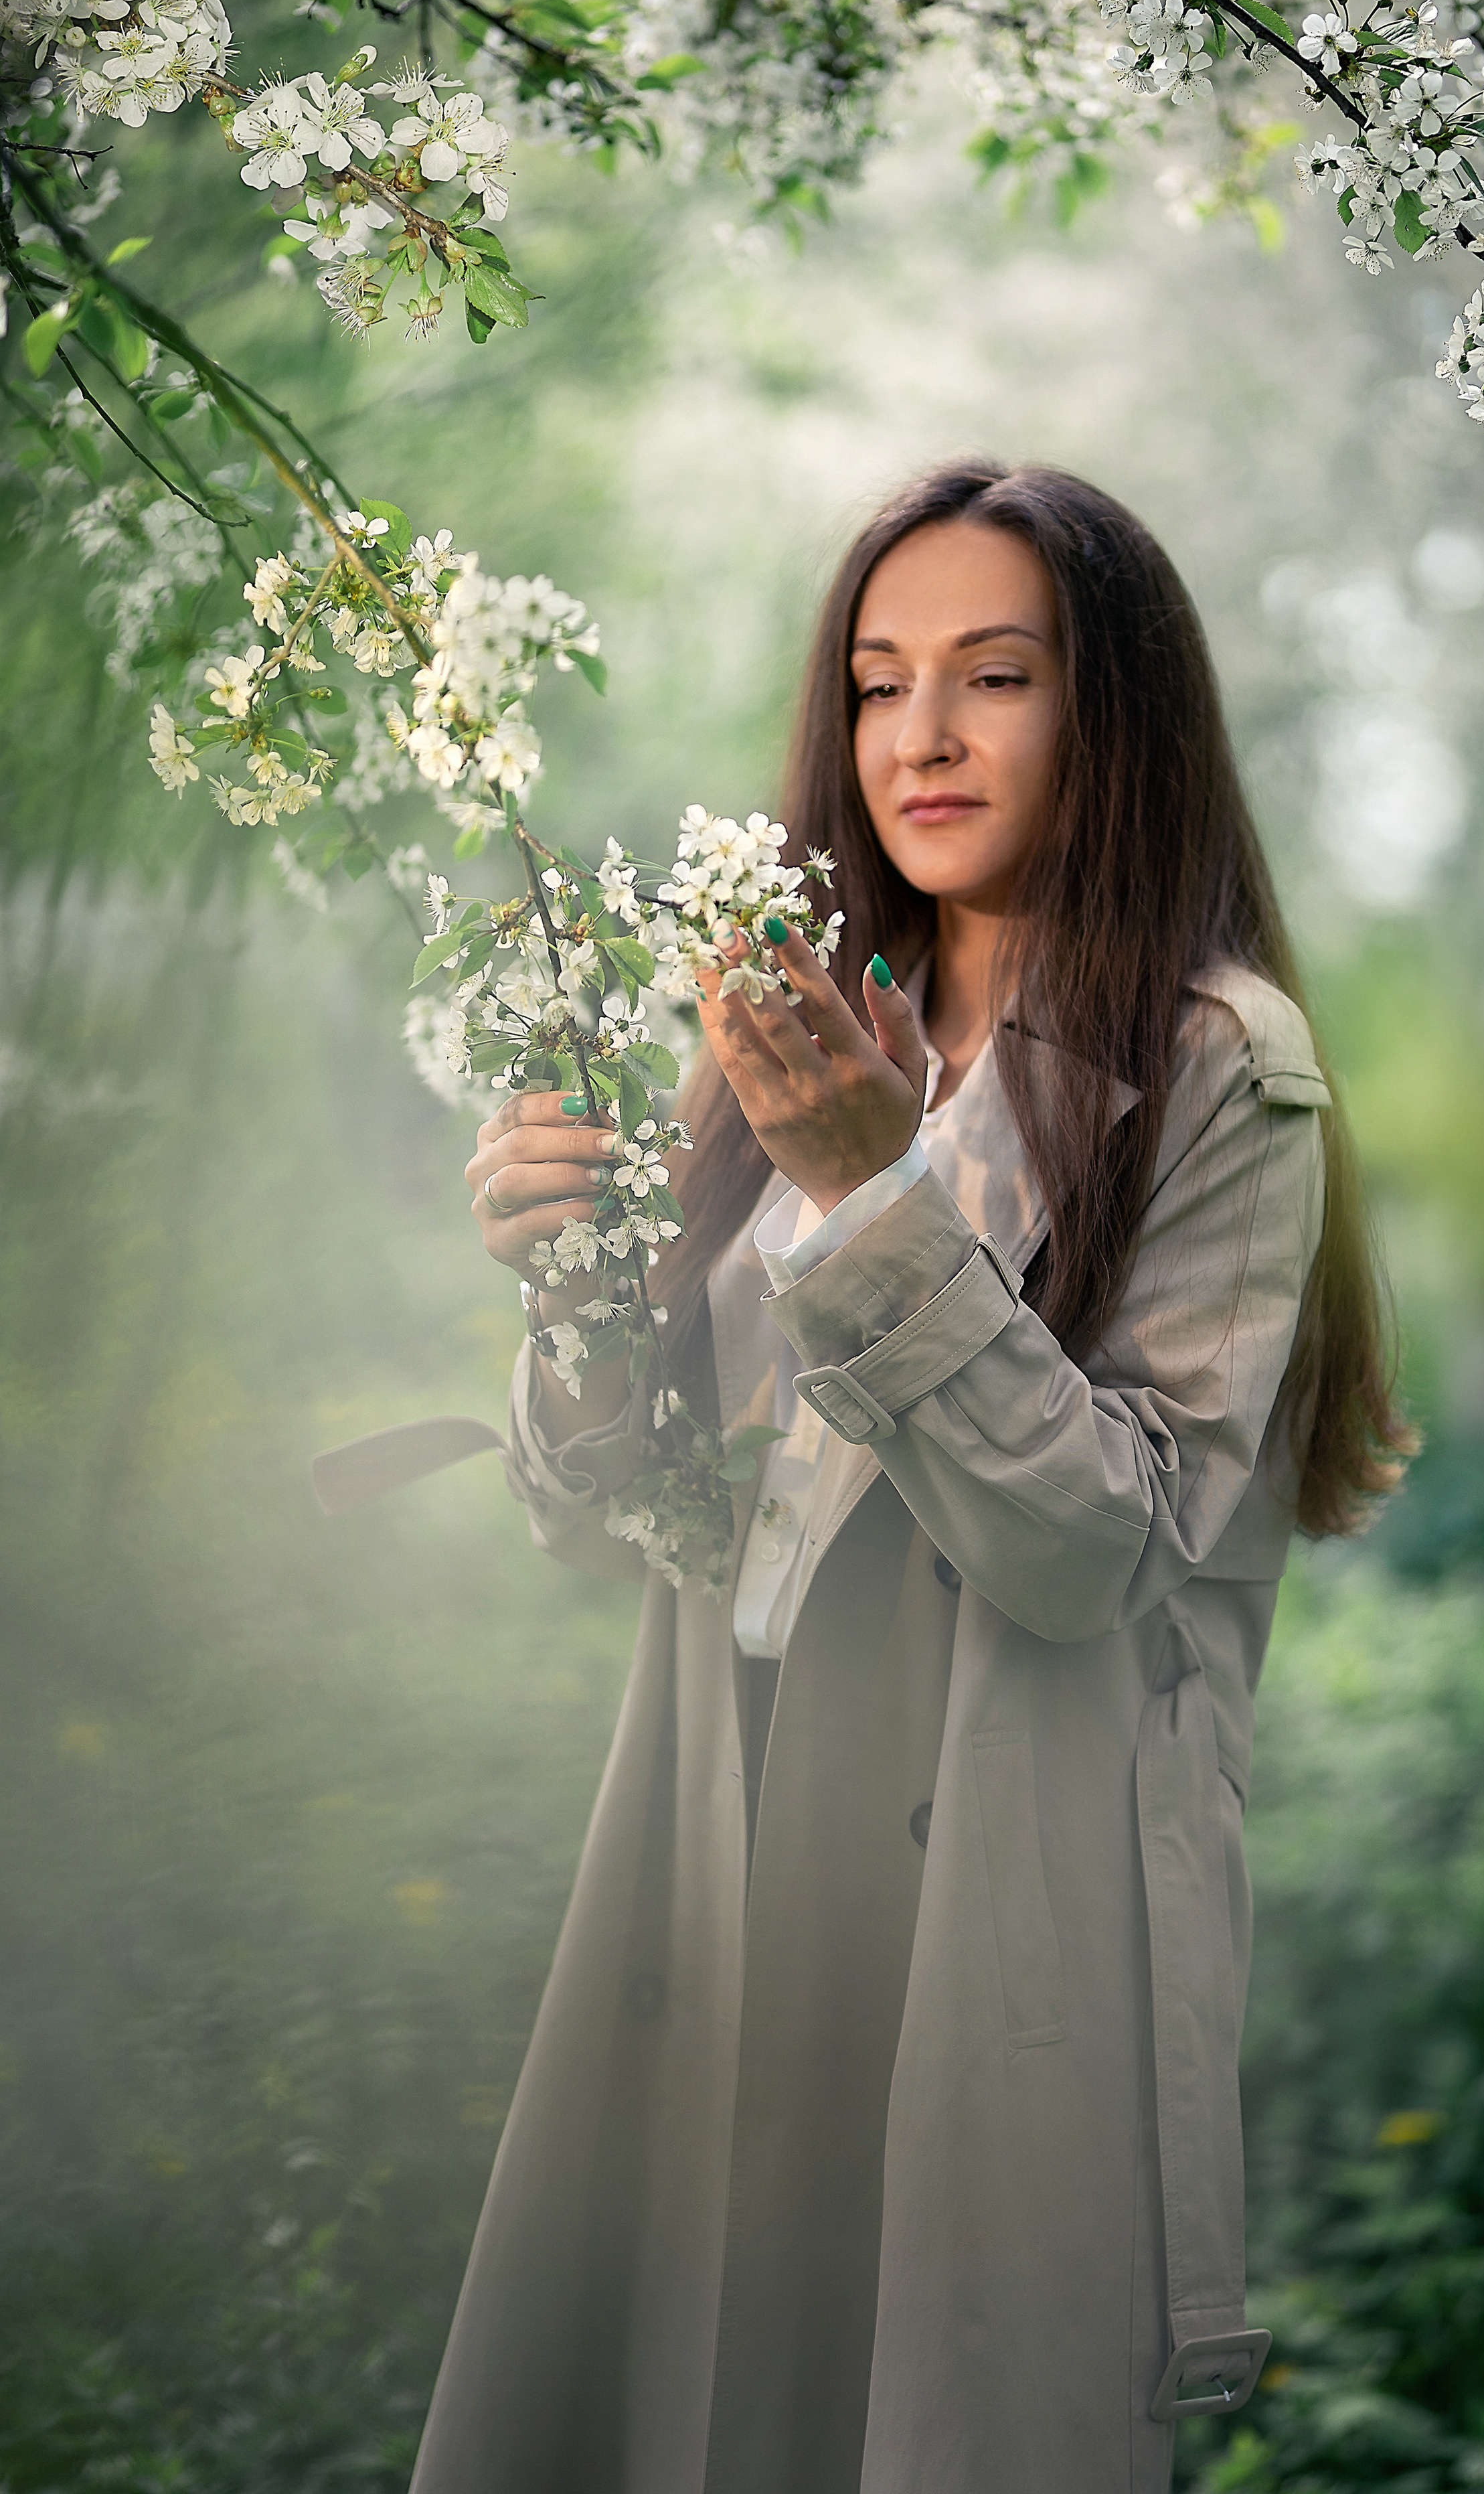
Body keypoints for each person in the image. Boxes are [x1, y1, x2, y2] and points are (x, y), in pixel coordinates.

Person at [406, 459, 1412, 2492]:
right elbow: (622, 1518)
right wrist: (574, 1298)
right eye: (878, 682)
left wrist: (878, 1193)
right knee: (679, 2390)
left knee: (922, 2403)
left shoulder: (1224, 1066)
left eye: (996, 674)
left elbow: (1092, 1550)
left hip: (993, 1865)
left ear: (1114, 711)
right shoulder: (790, 1010)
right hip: (720, 1802)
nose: (922, 736)